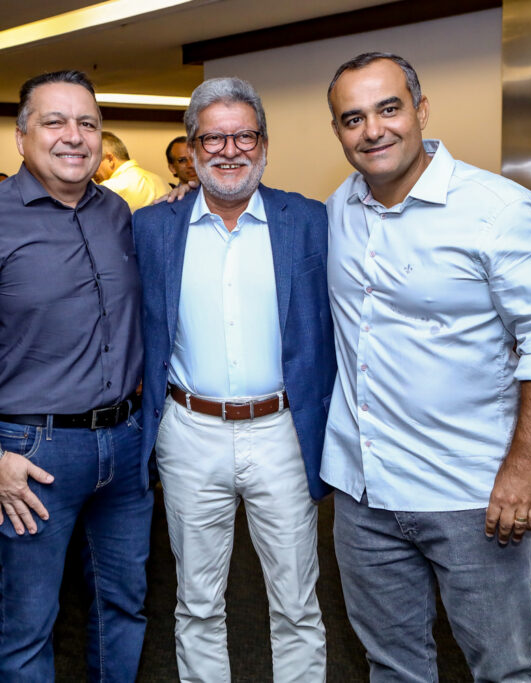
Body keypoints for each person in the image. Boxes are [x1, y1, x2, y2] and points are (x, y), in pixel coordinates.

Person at [322, 52, 531, 682]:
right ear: (338, 131)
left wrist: (527, 468)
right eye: (353, 118)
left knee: (505, 670)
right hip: (364, 492)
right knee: (392, 667)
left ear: (421, 111)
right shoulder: (336, 210)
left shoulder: (498, 208)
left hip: (471, 494)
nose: (373, 130)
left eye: (389, 109)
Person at [0, 70, 152, 682]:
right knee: (31, 621)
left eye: (87, 123)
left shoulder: (118, 213)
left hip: (125, 446)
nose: (73, 136)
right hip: (32, 453)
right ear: (21, 136)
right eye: (54, 122)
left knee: (124, 604)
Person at [134, 76, 335, 682]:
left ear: (264, 144)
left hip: (282, 432)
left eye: (244, 136)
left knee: (297, 602)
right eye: (213, 139)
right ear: (191, 150)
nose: (229, 151)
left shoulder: (311, 221)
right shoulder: (152, 228)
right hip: (188, 432)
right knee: (197, 602)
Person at [94, 130, 170, 210]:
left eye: (93, 162)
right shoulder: (162, 182)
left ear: (110, 159)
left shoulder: (107, 189)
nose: (91, 172)